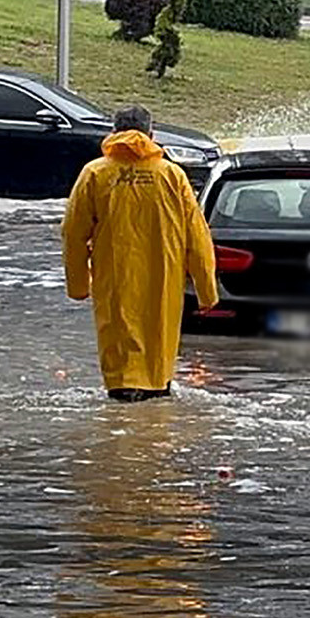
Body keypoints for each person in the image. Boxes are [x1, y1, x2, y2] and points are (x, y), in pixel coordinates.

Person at [62, 105, 219, 402]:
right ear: (152, 134)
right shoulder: (172, 175)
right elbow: (197, 237)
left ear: (113, 133)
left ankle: (124, 421)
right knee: (157, 360)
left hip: (114, 283)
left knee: (120, 362)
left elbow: (72, 234)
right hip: (164, 282)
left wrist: (79, 286)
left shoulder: (95, 173)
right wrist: (207, 292)